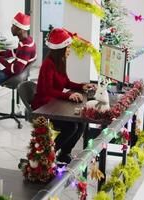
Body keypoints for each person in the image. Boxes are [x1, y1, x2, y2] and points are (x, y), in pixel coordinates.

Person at [31, 28, 96, 164]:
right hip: (44, 104)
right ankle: (47, 154)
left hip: (55, 101)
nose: (69, 50)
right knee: (71, 127)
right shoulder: (48, 64)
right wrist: (69, 96)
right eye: (68, 48)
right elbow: (48, 90)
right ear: (61, 49)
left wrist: (81, 86)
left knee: (81, 122)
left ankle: (64, 154)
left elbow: (65, 82)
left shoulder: (60, 61)